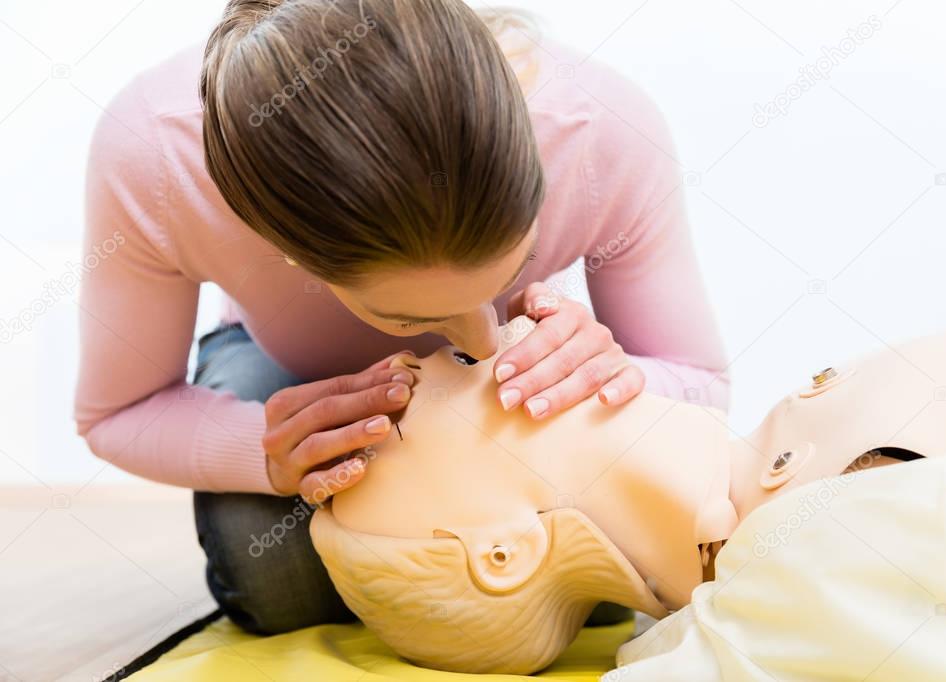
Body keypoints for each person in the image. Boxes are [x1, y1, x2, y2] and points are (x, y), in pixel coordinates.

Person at [72, 0, 728, 635]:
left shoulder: (599, 129)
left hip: (521, 394)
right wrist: (266, 452)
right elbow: (118, 412)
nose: (476, 338)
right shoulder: (155, 154)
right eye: (408, 316)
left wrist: (606, 375)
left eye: (508, 269)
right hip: (282, 362)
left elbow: (697, 378)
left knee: (618, 554)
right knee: (274, 574)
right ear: (287, 252)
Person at [309, 315, 946, 675]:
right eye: (392, 427)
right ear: (502, 550)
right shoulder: (787, 579)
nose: (409, 357)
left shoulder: (770, 464)